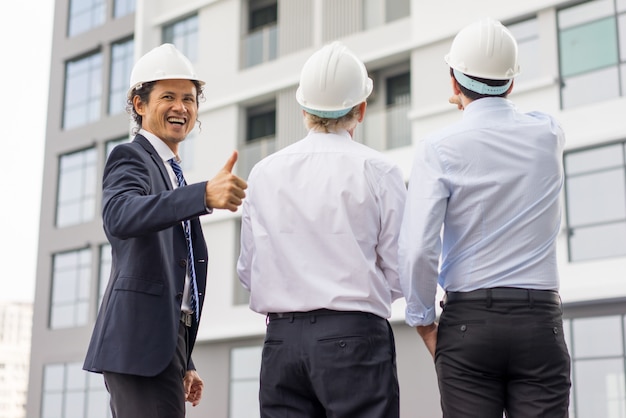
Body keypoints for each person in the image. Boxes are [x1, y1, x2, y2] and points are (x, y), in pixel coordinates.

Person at [398, 18, 571, 417]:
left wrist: (424, 322)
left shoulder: (438, 148)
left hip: (468, 324)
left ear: (454, 84)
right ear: (511, 84)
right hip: (538, 321)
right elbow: (522, 116)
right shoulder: (547, 135)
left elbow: (419, 249)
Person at [237, 41, 406, 417]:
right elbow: (400, 269)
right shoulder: (380, 171)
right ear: (360, 109)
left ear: (303, 110)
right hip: (355, 335)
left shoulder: (264, 173)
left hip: (281, 341)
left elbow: (248, 271)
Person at [83, 43, 248, 418]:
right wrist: (202, 195)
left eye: (189, 99)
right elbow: (120, 215)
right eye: (168, 97)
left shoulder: (172, 171)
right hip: (138, 347)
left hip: (162, 347)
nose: (181, 108)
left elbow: (176, 274)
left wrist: (184, 357)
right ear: (139, 104)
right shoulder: (131, 157)